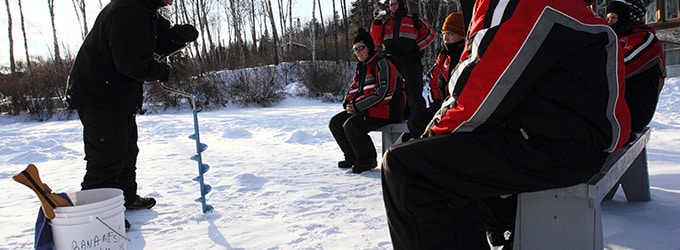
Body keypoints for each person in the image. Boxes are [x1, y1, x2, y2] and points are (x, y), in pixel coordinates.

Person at [381, 0, 631, 249]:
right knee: (449, 157)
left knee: (407, 168)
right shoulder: (566, 6)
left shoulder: (520, 4)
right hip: (572, 137)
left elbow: (480, 90)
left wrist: (431, 137)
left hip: (558, 146)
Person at [64, 0, 198, 222]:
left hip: (116, 96)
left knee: (126, 149)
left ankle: (125, 198)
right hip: (98, 95)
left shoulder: (145, 11)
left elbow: (156, 42)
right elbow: (130, 62)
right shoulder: (127, 10)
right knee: (106, 156)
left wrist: (179, 36)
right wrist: (161, 70)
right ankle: (100, 216)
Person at [329, 28, 406, 174]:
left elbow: (384, 93)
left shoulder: (382, 63)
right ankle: (352, 156)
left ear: (369, 47)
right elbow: (354, 89)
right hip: (369, 108)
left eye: (361, 48)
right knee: (336, 123)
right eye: (355, 49)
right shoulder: (362, 67)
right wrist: (348, 104)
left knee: (352, 125)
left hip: (388, 110)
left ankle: (367, 160)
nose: (358, 52)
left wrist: (357, 106)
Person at [606, 0, 666, 133]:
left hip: (633, 113)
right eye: (608, 18)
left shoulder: (647, 40)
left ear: (629, 18)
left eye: (614, 18)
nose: (609, 23)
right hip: (612, 109)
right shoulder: (613, 39)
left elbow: (621, 67)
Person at [371, 0, 435, 118]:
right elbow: (377, 41)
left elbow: (431, 33)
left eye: (395, 4)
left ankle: (418, 124)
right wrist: (377, 22)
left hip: (411, 62)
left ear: (401, 4)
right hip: (393, 64)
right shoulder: (388, 22)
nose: (393, 7)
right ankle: (399, 123)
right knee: (395, 95)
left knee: (414, 95)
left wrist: (416, 47)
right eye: (390, 5)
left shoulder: (414, 18)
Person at [408, 12, 466, 138]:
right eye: (444, 34)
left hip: (457, 109)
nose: (446, 38)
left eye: (450, 34)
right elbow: (434, 80)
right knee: (415, 122)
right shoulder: (444, 55)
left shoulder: (465, 54)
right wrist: (436, 102)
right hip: (440, 105)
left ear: (462, 35)